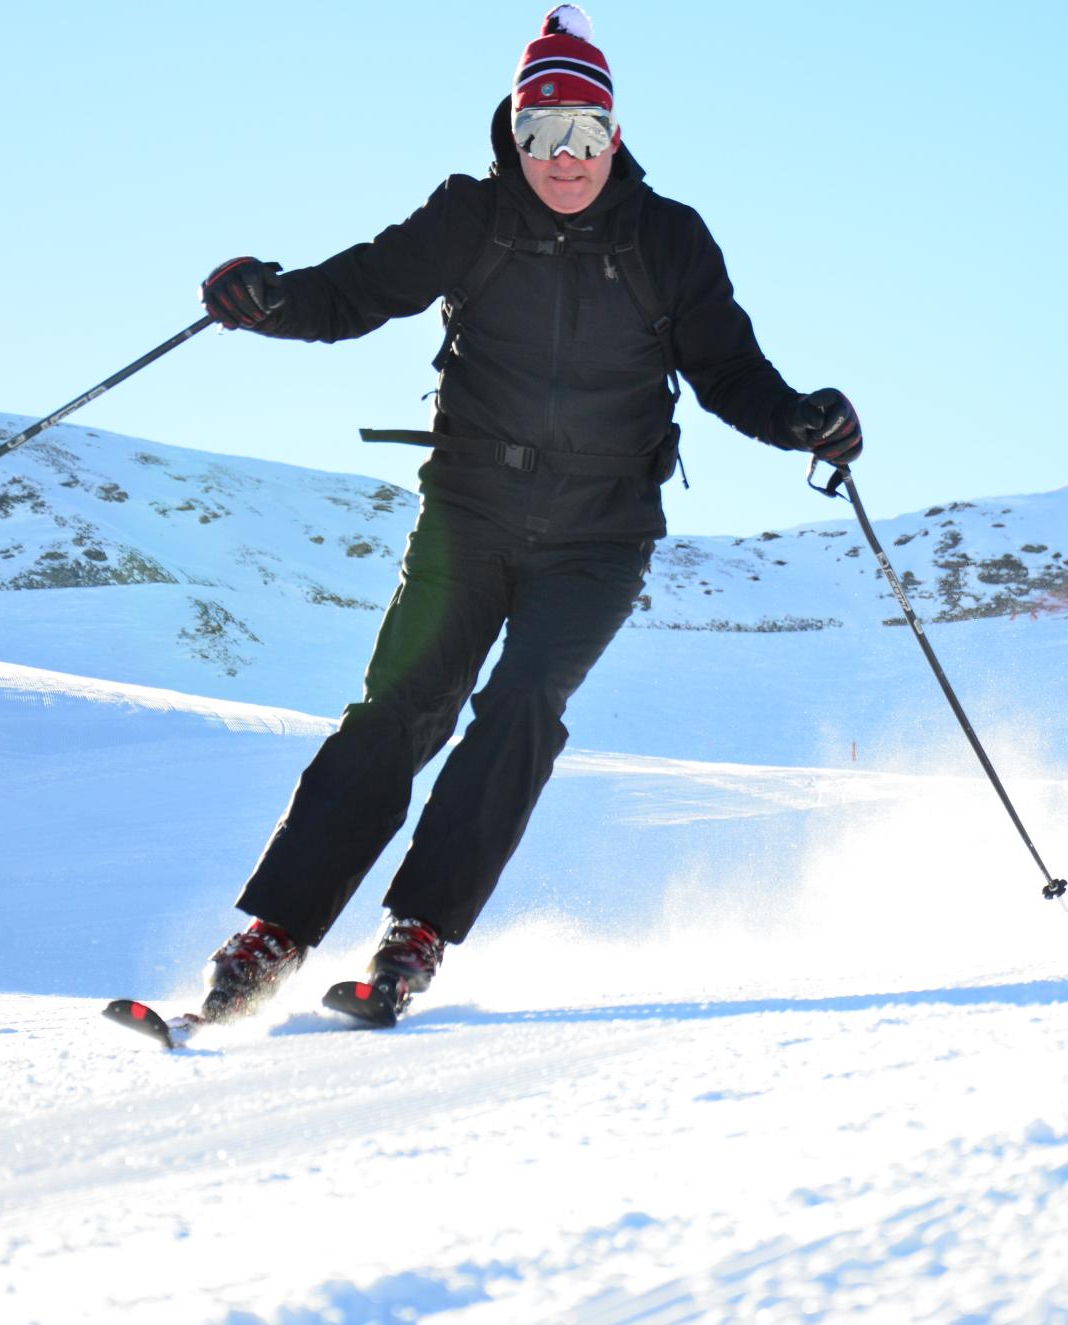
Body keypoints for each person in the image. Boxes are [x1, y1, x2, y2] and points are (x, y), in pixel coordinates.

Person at [192, 4, 862, 1024]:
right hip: (468, 513)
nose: (564, 156)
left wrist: (798, 418)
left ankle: (415, 935)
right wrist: (270, 302)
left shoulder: (667, 240)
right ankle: (272, 935)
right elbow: (357, 292)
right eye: (541, 132)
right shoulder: (470, 216)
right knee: (401, 707)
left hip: (598, 534)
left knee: (520, 705)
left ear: (615, 135)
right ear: (514, 132)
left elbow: (726, 367)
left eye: (584, 132)